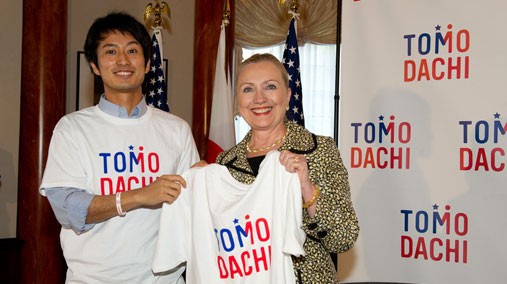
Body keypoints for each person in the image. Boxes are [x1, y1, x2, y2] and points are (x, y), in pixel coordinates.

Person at [39, 12, 199, 283]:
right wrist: (138, 196)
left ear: (148, 64)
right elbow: (66, 208)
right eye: (110, 51)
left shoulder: (177, 129)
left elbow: (192, 205)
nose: (123, 60)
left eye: (133, 50)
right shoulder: (72, 128)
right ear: (95, 65)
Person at [215, 53, 359, 283]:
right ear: (237, 100)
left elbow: (343, 238)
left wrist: (306, 187)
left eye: (270, 87)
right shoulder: (224, 164)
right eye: (248, 89)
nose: (259, 99)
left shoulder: (319, 149)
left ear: (288, 95)